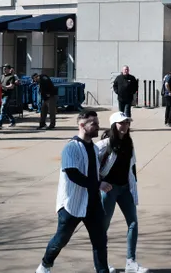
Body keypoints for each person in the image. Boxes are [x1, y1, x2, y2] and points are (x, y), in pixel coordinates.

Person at [36, 111, 111, 273]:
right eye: (94, 124)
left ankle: (102, 270)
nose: (97, 126)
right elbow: (73, 175)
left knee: (100, 240)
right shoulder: (71, 148)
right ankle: (45, 265)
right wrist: (98, 184)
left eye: (97, 123)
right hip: (72, 204)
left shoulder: (93, 147)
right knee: (61, 240)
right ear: (82, 126)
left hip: (93, 204)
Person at [96, 112, 149, 273]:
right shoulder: (103, 145)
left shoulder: (129, 143)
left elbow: (132, 165)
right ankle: (100, 263)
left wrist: (134, 184)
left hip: (126, 188)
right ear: (114, 125)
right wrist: (99, 183)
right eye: (122, 123)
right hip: (109, 190)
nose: (125, 126)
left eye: (127, 122)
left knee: (133, 223)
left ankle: (131, 262)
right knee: (103, 227)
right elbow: (90, 166)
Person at [0, 64, 17, 128]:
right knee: (6, 109)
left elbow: (11, 86)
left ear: (9, 69)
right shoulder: (2, 76)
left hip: (7, 95)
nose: (4, 69)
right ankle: (12, 121)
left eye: (5, 68)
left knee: (3, 108)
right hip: (1, 94)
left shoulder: (11, 77)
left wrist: (3, 86)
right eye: (3, 68)